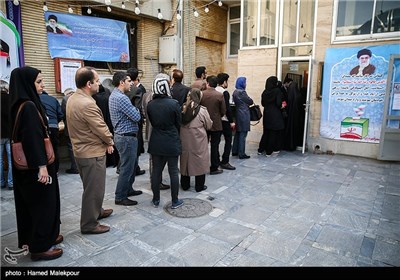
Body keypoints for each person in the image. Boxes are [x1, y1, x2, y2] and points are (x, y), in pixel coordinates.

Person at [9, 66, 63, 261]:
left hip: (28, 168)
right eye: (38, 81)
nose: (42, 85)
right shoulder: (29, 107)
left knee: (38, 204)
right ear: (27, 83)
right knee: (42, 205)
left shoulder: (20, 104)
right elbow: (32, 139)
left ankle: (47, 235)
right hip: (35, 168)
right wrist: (41, 167)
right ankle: (40, 247)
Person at [66, 66, 114, 234]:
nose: (99, 84)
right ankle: (89, 224)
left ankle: (97, 211)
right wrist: (110, 141)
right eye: (97, 81)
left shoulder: (73, 98)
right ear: (88, 83)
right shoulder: (86, 104)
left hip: (81, 150)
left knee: (92, 187)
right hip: (91, 153)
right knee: (94, 189)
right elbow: (101, 128)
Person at [147, 73, 183, 209]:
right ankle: (175, 201)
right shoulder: (174, 104)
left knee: (156, 171)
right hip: (171, 140)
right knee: (173, 171)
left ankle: (156, 199)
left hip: (156, 140)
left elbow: (151, 121)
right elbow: (178, 122)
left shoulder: (150, 104)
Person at [109, 71, 142, 206]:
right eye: (128, 81)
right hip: (126, 138)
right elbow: (136, 116)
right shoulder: (121, 98)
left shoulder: (116, 95)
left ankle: (128, 189)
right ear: (121, 82)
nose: (131, 83)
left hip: (125, 136)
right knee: (127, 168)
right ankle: (120, 196)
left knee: (131, 165)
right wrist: (138, 110)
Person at [142, 74, 171, 191]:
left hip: (150, 129)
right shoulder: (155, 96)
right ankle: (156, 181)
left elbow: (144, 112)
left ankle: (155, 180)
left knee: (153, 158)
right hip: (157, 130)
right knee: (157, 158)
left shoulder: (145, 95)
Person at [180, 88, 213, 192]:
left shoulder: (182, 108)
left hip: (184, 140)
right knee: (200, 161)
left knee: (185, 160)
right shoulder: (202, 110)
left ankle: (185, 185)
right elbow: (209, 125)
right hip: (198, 141)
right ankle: (199, 186)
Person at [200, 75, 226, 175]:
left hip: (203, 123)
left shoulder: (202, 94)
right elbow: (223, 110)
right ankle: (214, 167)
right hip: (216, 123)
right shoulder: (219, 95)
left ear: (208, 83)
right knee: (215, 146)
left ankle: (202, 165)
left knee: (202, 146)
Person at [93, 84, 119, 168]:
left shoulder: (94, 98)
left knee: (103, 142)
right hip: (110, 121)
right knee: (111, 140)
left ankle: (107, 162)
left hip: (101, 122)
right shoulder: (108, 95)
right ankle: (114, 161)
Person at [126, 67, 146, 177]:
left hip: (123, 125)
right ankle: (134, 169)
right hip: (133, 124)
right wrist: (140, 118)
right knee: (135, 148)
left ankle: (133, 167)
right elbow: (138, 108)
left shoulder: (120, 90)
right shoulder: (136, 90)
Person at [39, 90, 63, 174]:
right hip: (54, 127)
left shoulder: (35, 99)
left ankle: (45, 170)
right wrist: (55, 122)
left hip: (41, 128)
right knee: (54, 149)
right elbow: (60, 115)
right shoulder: (53, 99)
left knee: (42, 149)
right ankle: (55, 170)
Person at [260, 76, 285, 157]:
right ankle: (269, 152)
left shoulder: (264, 92)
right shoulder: (277, 91)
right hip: (275, 114)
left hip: (267, 114)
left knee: (266, 132)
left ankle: (261, 149)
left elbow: (263, 104)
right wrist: (282, 106)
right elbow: (278, 103)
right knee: (273, 133)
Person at [215, 73, 236, 171]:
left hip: (216, 120)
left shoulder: (214, 90)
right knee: (228, 141)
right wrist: (231, 121)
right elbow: (227, 108)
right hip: (224, 120)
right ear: (224, 82)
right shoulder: (224, 92)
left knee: (216, 142)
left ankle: (216, 161)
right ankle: (225, 161)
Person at [232, 76, 253, 159]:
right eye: (245, 82)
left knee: (238, 133)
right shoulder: (242, 92)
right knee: (243, 133)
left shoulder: (235, 92)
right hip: (244, 114)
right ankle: (241, 153)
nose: (246, 84)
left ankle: (235, 151)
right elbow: (250, 101)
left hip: (238, 113)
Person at [61, 88, 79, 174]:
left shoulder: (65, 99)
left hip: (70, 127)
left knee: (71, 148)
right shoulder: (78, 97)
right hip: (80, 128)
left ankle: (75, 168)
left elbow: (63, 114)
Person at [282, 77, 302, 151]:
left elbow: (286, 104)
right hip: (296, 116)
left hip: (290, 116)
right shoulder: (298, 95)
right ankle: (293, 145)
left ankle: (288, 145)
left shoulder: (289, 94)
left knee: (289, 130)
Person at [1, 80, 13, 190]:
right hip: (9, 133)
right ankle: (11, 183)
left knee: (0, 160)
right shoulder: (11, 99)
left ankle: (0, 182)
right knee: (11, 159)